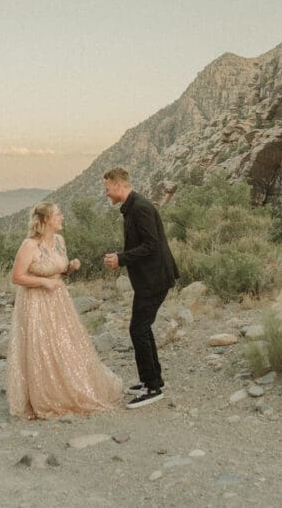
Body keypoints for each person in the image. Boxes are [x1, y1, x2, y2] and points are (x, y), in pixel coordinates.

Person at [6, 202, 122, 419]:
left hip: (59, 301)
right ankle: (43, 394)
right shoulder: (29, 245)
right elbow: (17, 277)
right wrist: (43, 282)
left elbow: (57, 270)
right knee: (42, 348)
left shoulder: (60, 241)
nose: (62, 217)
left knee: (64, 344)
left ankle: (69, 387)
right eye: (58, 214)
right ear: (46, 219)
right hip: (36, 302)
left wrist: (70, 268)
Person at [102, 167, 178, 409]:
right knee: (142, 329)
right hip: (150, 279)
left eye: (107, 189)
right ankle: (154, 379)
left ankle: (152, 387)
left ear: (117, 185)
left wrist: (121, 258)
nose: (106, 194)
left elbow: (151, 246)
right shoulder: (133, 206)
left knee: (138, 329)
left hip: (154, 279)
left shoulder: (140, 207)